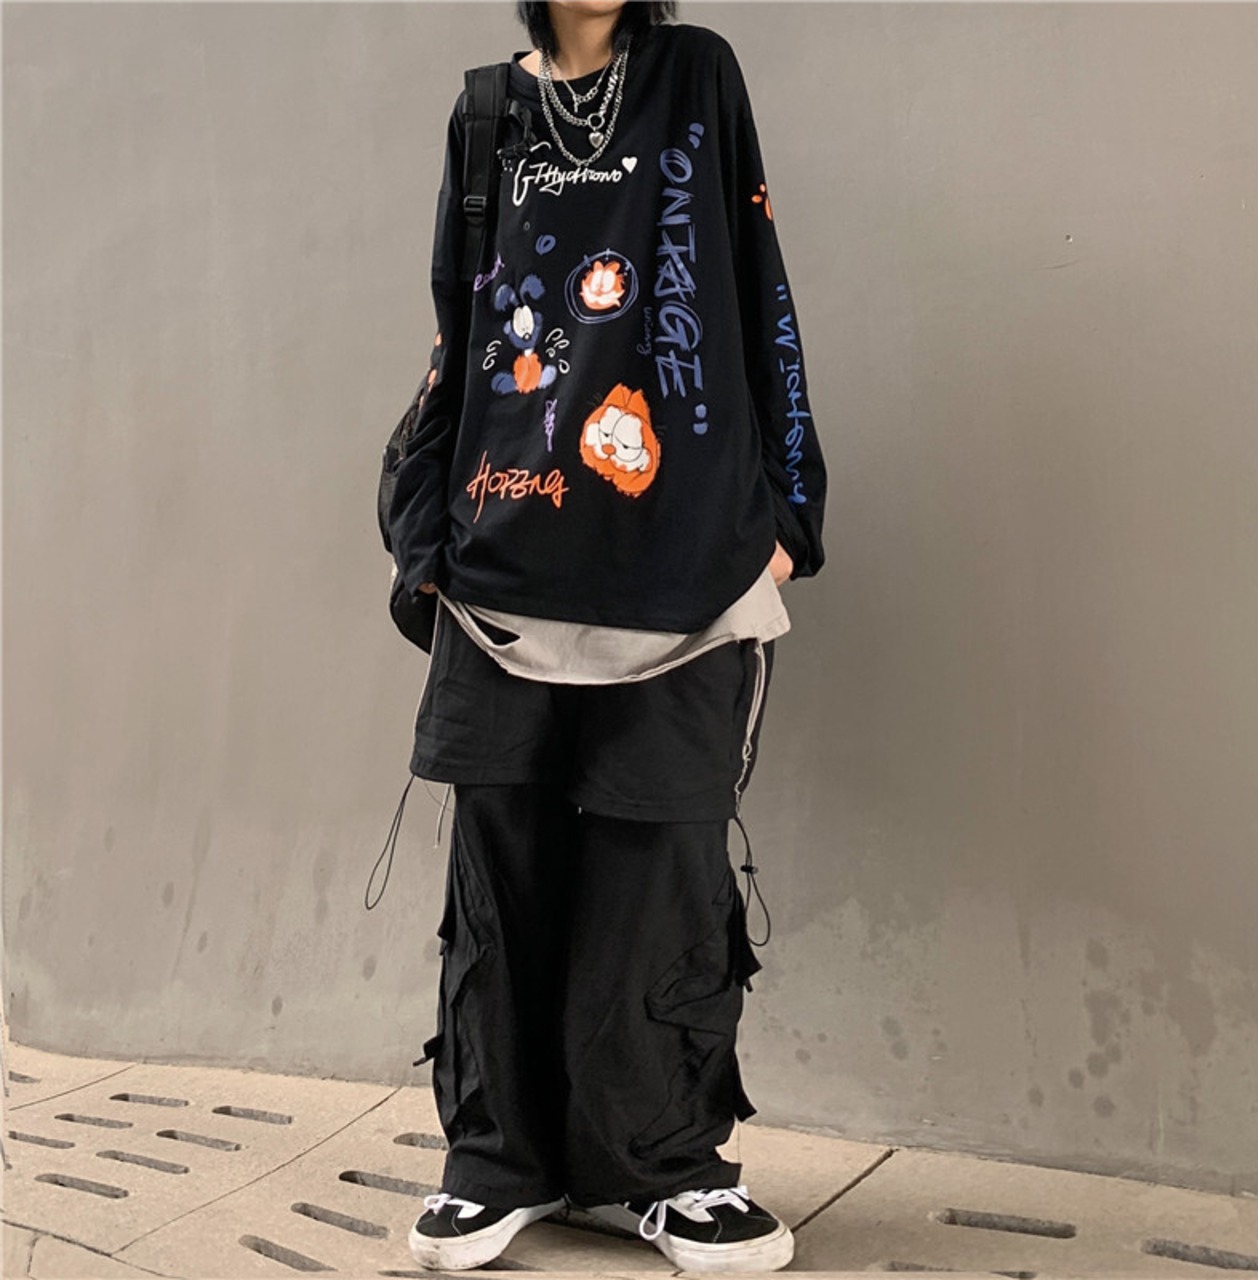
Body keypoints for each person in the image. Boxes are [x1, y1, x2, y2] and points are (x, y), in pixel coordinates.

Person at [382, 1, 826, 1271]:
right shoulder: (485, 112)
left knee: (660, 868)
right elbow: (458, 330)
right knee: (502, 871)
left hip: (679, 568)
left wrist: (788, 511)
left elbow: (755, 283)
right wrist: (424, 533)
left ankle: (660, 1167)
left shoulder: (695, 75)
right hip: (504, 565)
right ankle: (496, 1163)